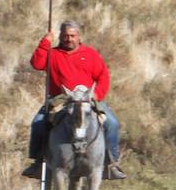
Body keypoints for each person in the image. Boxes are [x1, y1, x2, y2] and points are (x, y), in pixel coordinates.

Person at [25, 20, 126, 180]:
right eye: (65, 36)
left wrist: (96, 95)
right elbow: (37, 64)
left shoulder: (90, 54)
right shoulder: (53, 54)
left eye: (72, 35)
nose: (69, 39)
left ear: (79, 37)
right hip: (60, 99)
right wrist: (45, 42)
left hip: (87, 99)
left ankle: (111, 164)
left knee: (112, 123)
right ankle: (38, 163)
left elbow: (103, 77)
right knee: (38, 123)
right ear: (60, 36)